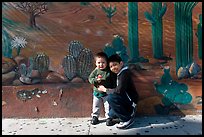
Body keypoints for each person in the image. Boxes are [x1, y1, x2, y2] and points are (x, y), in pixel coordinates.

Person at [97, 54, 139, 129]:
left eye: (115, 65)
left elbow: (119, 91)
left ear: (121, 63)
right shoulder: (120, 73)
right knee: (111, 114)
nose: (113, 68)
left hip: (130, 101)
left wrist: (105, 90)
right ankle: (125, 114)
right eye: (111, 67)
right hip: (126, 100)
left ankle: (127, 119)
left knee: (110, 98)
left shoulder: (124, 74)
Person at [88, 52, 117, 126]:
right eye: (99, 63)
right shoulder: (96, 71)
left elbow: (113, 80)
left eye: (103, 62)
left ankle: (108, 118)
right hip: (97, 93)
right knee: (96, 105)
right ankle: (95, 117)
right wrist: (95, 80)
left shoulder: (108, 72)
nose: (101, 64)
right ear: (96, 63)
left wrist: (113, 88)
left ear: (107, 63)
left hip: (106, 93)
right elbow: (90, 79)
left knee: (107, 106)